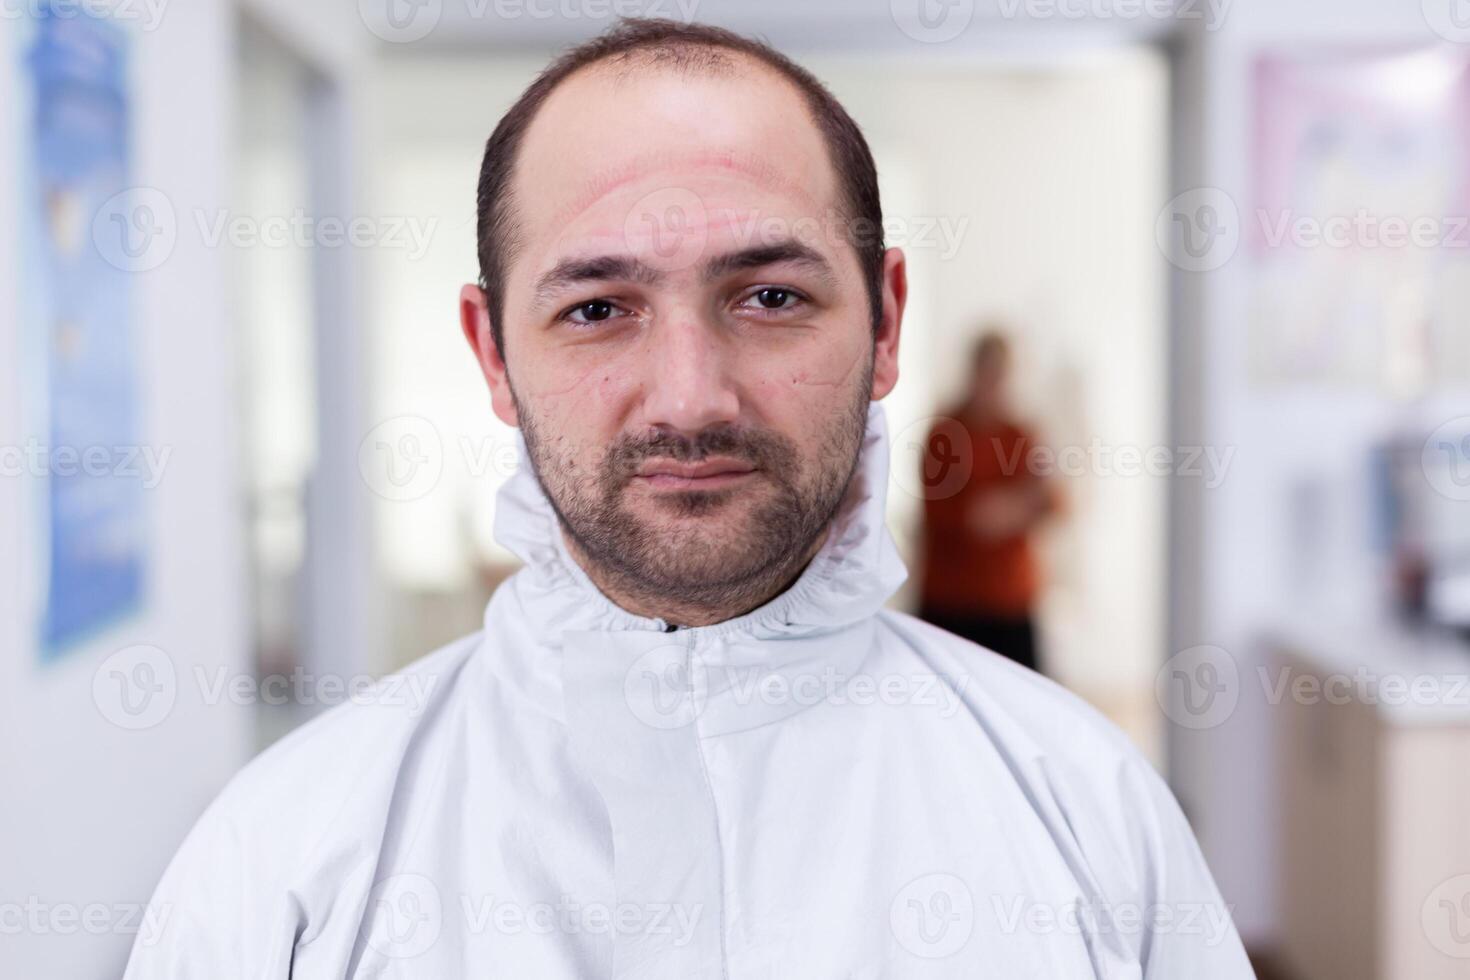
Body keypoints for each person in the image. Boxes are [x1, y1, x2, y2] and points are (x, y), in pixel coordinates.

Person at [124, 19, 1253, 979]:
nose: (689, 396)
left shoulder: (1091, 815)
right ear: (491, 354)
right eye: (599, 308)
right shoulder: (284, 863)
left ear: (887, 320)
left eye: (769, 294)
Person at [919, 332, 1057, 673]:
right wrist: (1014, 505)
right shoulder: (945, 434)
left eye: (1001, 373)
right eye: (987, 371)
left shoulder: (1020, 435)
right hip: (951, 602)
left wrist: (1006, 509)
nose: (993, 382)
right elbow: (960, 516)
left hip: (1010, 601)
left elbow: (1051, 501)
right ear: (974, 371)